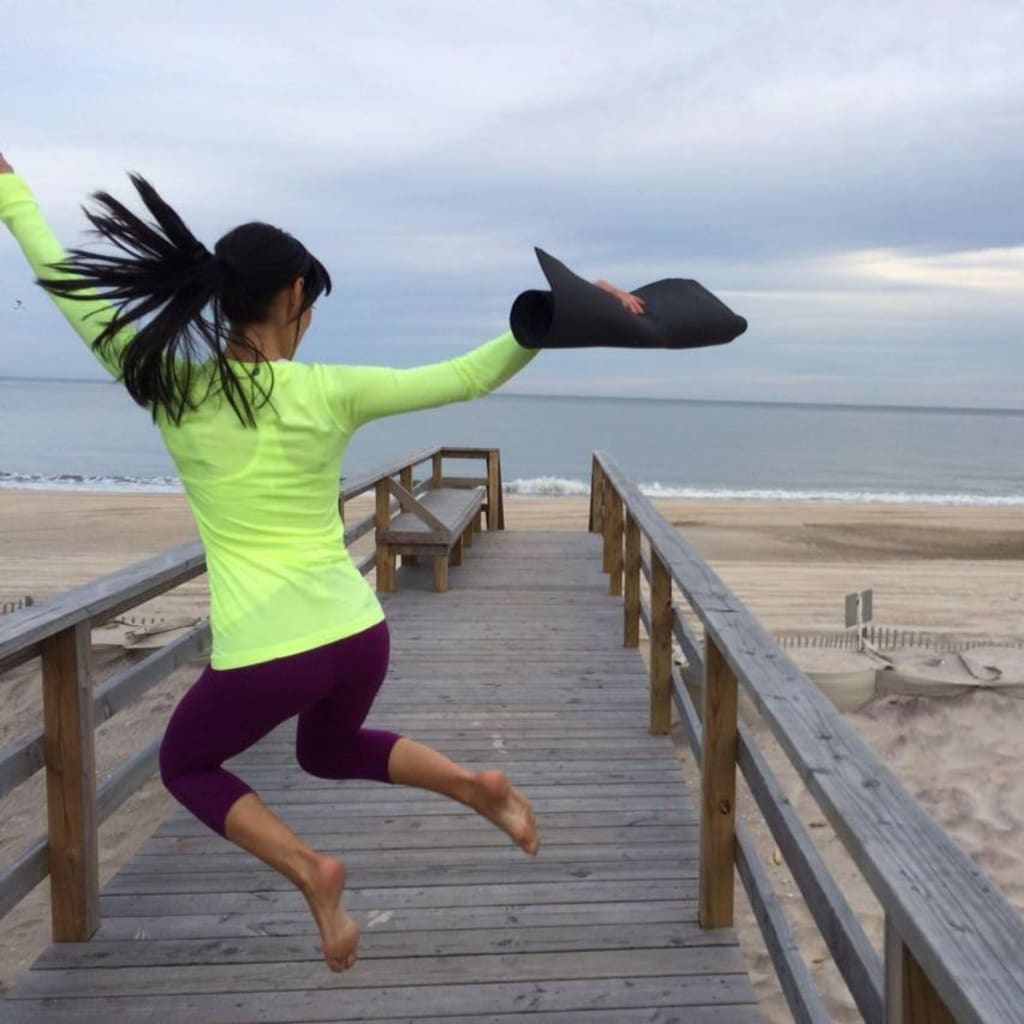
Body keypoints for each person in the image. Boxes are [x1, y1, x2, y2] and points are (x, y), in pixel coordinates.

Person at [0, 154, 644, 972]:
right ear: (294, 297)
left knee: (186, 763)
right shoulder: (331, 391)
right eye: (311, 306)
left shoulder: (169, 387)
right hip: (359, 635)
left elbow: (70, 289)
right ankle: (473, 786)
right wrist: (565, 309)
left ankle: (311, 871)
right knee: (327, 750)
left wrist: (12, 194)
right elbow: (467, 376)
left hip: (268, 653)